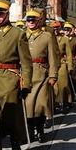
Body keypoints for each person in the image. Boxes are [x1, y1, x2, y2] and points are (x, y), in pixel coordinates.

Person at [0, 0, 32, 150]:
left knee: (10, 116)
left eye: (2, 13)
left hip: (10, 80)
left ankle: (15, 141)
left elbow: (26, 63)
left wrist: (26, 84)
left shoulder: (17, 34)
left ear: (7, 14)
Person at [24, 10, 59, 142]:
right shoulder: (22, 36)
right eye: (29, 20)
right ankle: (29, 130)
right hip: (26, 75)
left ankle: (40, 130)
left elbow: (52, 58)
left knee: (41, 105)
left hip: (42, 74)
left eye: (33, 20)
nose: (31, 23)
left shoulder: (46, 37)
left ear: (38, 21)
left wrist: (53, 76)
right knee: (28, 106)